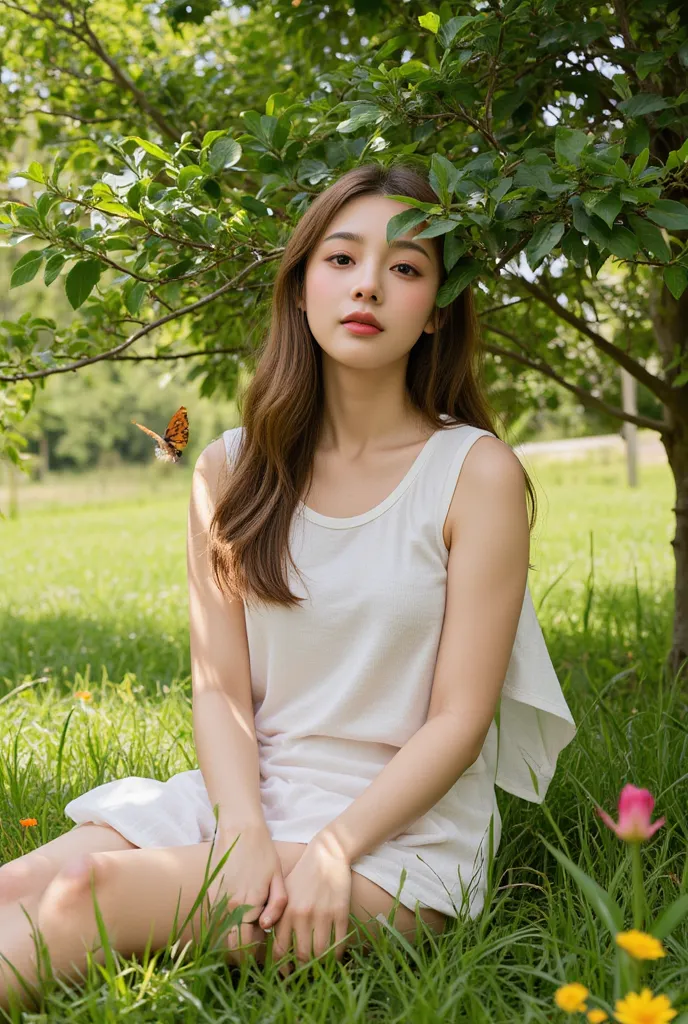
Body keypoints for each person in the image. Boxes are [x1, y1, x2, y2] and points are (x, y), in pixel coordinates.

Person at [0, 162, 577, 1010]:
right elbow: (221, 687)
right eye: (341, 259)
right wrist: (241, 832)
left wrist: (336, 848)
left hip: (395, 837)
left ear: (434, 315)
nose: (369, 285)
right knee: (18, 879)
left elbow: (460, 718)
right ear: (301, 288)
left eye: (407, 268)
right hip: (250, 795)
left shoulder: (473, 472)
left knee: (86, 894)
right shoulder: (229, 469)